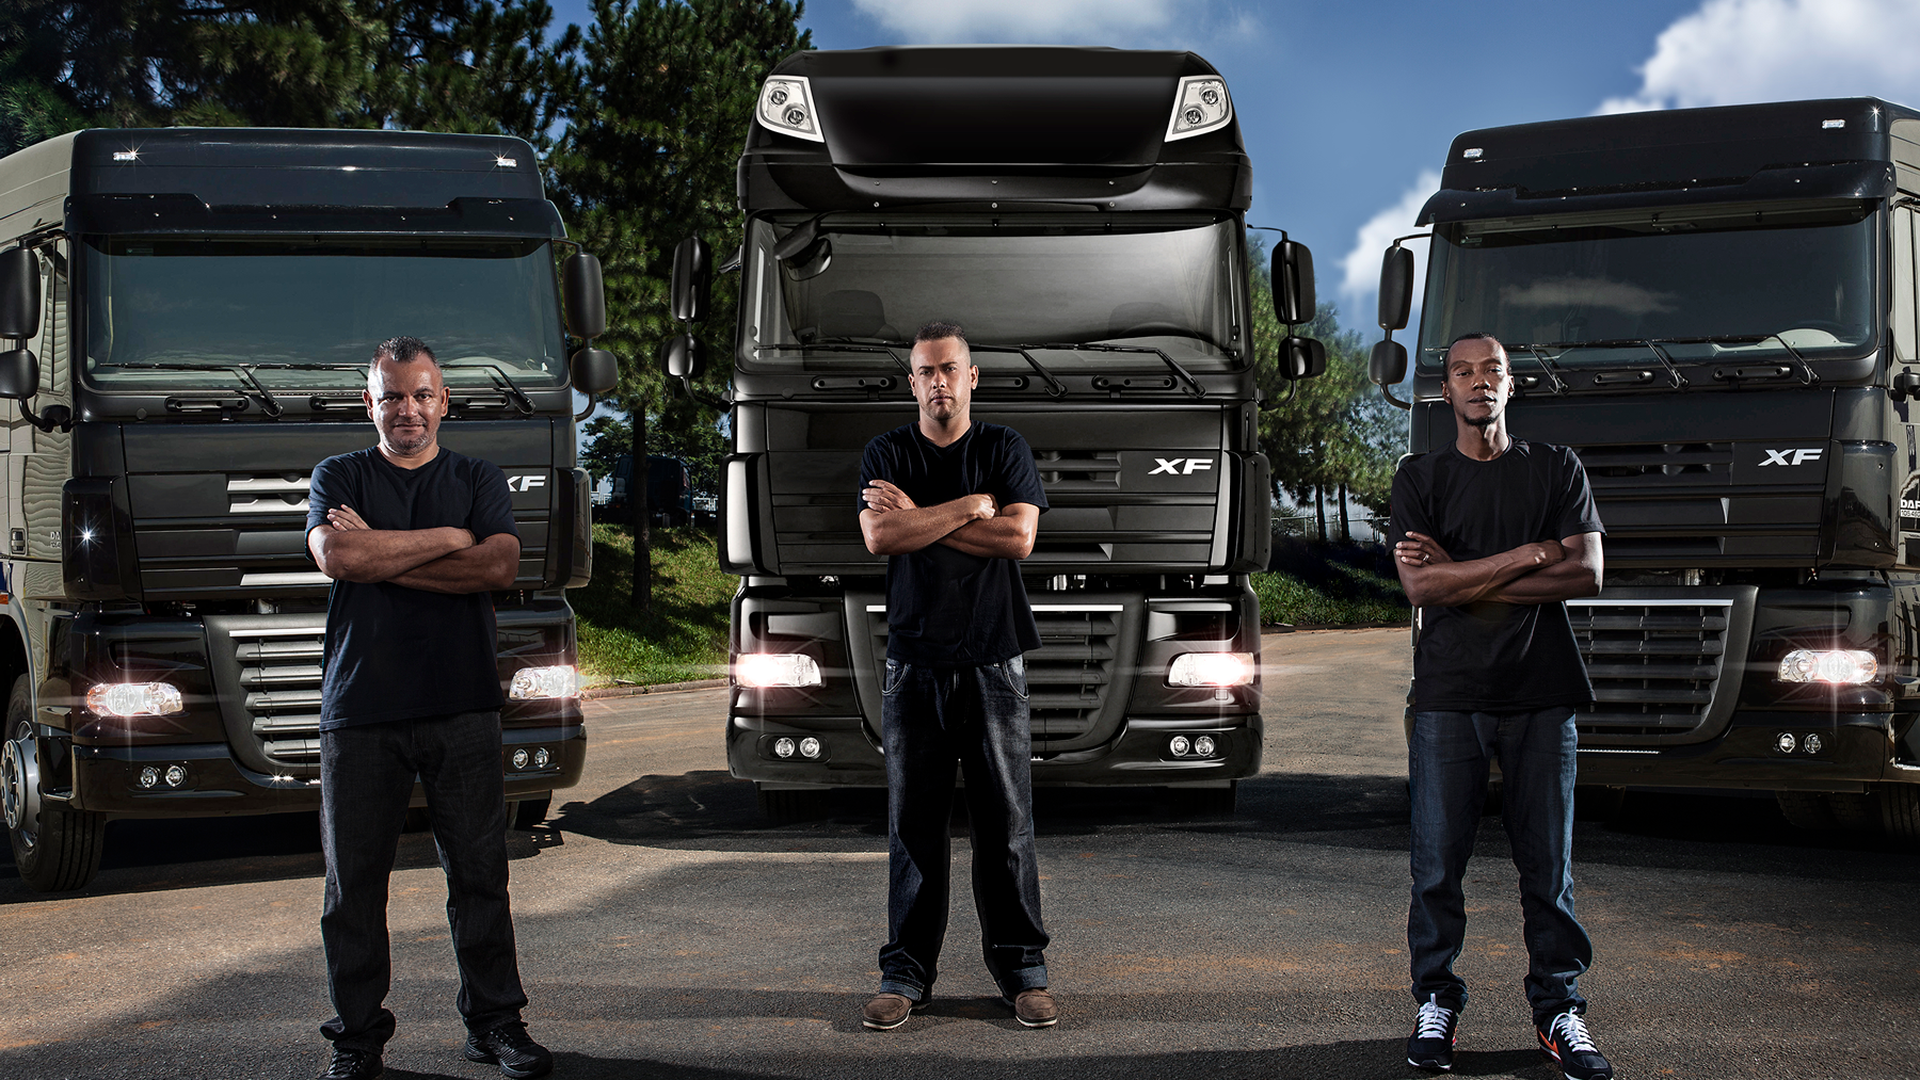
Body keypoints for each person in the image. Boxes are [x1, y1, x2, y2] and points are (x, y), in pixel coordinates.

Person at [305, 336, 551, 1080]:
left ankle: (495, 1024)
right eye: (391, 396)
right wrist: (448, 541)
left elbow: (500, 565)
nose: (406, 409)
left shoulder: (477, 475)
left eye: (420, 395)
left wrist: (384, 554)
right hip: (361, 709)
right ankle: (356, 1040)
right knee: (354, 885)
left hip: (461, 703)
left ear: (443, 401)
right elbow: (339, 559)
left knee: (479, 874)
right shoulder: (338, 474)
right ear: (368, 403)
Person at [1388, 332, 1612, 1080]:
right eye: (1463, 372)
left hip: (1542, 695)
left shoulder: (1555, 467)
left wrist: (1467, 575)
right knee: (1436, 867)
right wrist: (1524, 554)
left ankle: (1559, 1011)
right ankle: (1436, 1004)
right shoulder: (1419, 476)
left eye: (1493, 371)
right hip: (1449, 697)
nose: (1478, 383)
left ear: (1511, 386)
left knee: (1548, 869)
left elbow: (1585, 572)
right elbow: (1422, 589)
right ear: (1445, 391)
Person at [856, 321, 1057, 1031]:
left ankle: (1023, 974)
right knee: (915, 825)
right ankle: (904, 976)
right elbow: (881, 536)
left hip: (994, 658)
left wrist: (925, 518)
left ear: (972, 377)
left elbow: (1019, 538)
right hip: (914, 662)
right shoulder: (888, 452)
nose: (938, 380)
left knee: (1006, 823)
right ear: (911, 383)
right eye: (925, 371)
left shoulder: (1003, 447)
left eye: (949, 368)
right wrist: (970, 507)